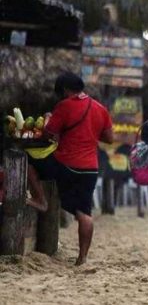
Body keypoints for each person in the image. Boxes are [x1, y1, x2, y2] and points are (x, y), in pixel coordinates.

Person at [44, 72, 114, 266]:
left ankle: (39, 201)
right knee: (84, 212)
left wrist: (48, 118)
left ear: (65, 90)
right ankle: (82, 257)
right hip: (90, 168)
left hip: (66, 164)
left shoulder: (64, 105)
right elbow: (109, 138)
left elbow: (48, 132)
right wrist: (90, 133)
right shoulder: (100, 108)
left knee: (32, 165)